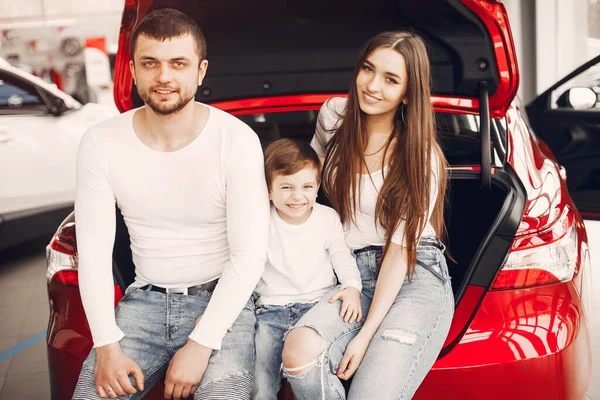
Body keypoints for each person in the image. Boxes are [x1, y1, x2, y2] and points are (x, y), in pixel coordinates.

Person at [71, 8, 269, 400]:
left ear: (201, 71)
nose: (164, 77)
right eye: (150, 63)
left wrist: (201, 344)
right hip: (142, 304)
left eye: (179, 63)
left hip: (224, 307)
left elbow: (248, 257)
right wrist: (107, 348)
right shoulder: (100, 142)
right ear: (133, 69)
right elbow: (92, 252)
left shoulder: (236, 139)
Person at [281, 31, 454, 400]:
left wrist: (365, 335)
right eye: (367, 69)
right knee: (298, 352)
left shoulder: (421, 157)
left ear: (408, 92)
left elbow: (397, 254)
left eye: (391, 79)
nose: (372, 86)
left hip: (411, 275)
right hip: (347, 270)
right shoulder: (334, 116)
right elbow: (306, 186)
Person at [252, 139, 363, 400]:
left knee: (314, 377)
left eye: (307, 187)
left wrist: (352, 287)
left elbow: (341, 256)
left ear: (317, 189)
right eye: (286, 187)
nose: (297, 196)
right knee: (261, 386)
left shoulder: (327, 218)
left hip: (317, 307)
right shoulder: (259, 219)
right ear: (269, 190)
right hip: (269, 312)